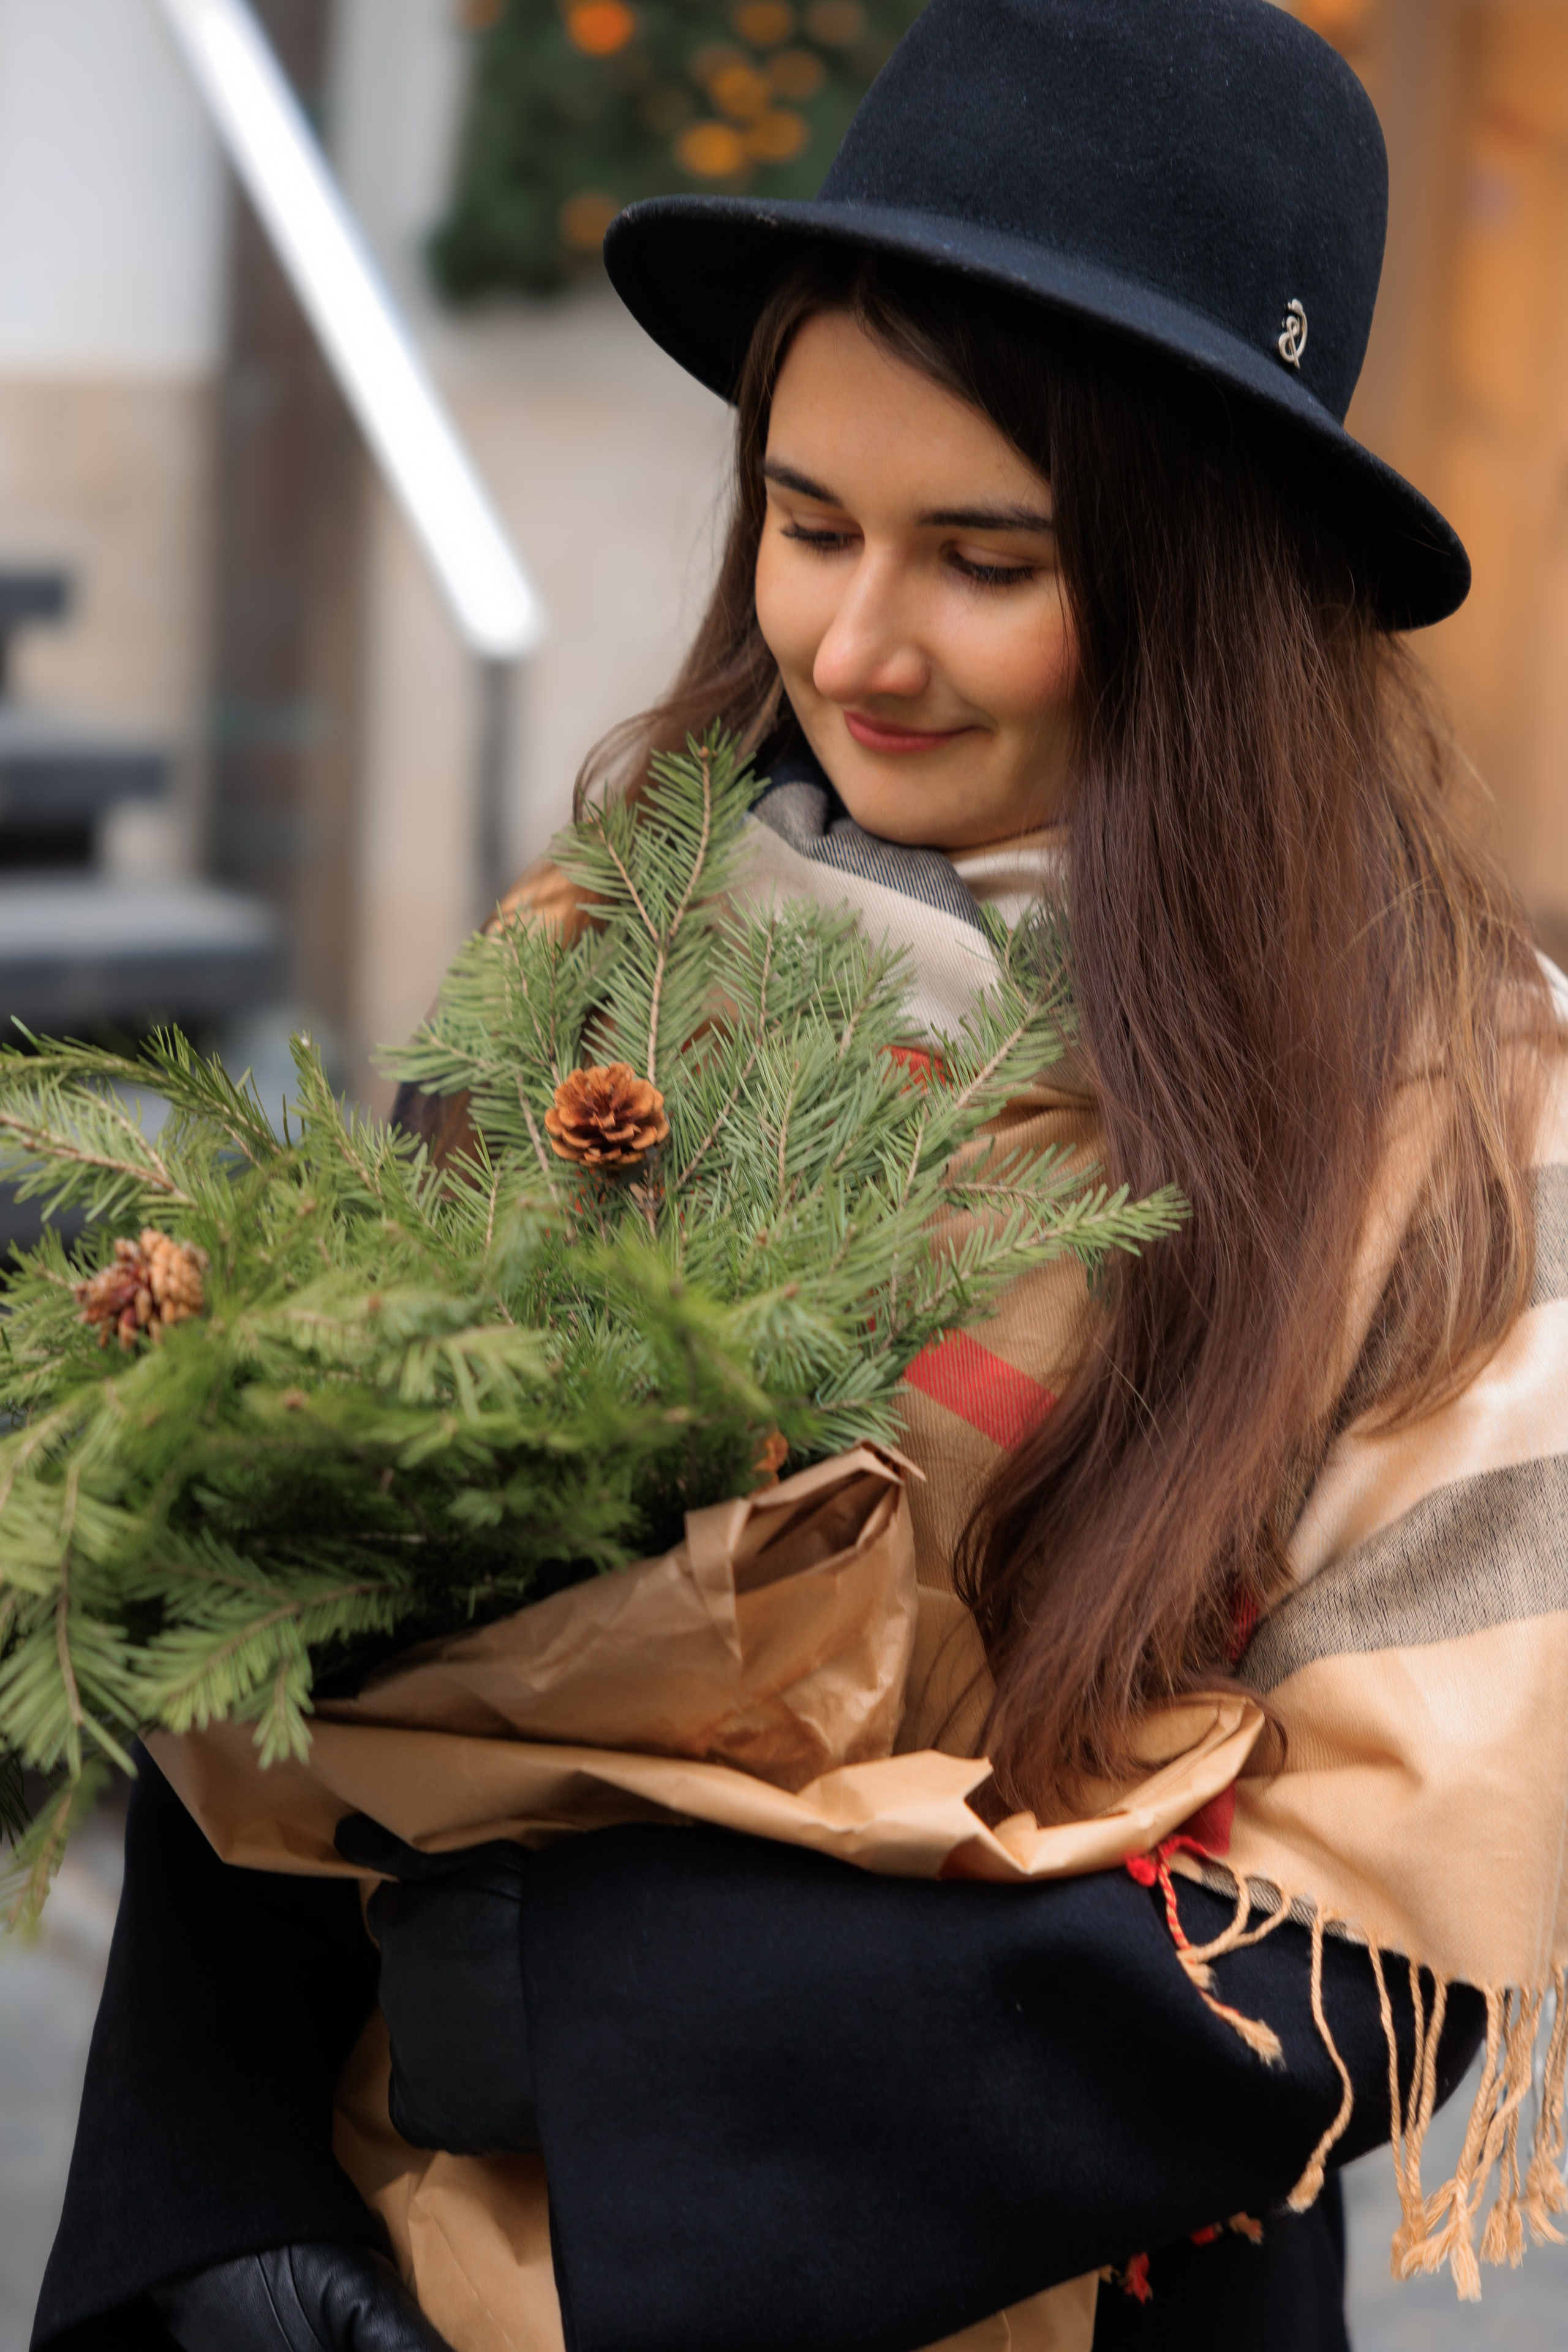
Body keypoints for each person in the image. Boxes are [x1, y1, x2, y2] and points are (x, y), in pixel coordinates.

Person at [32, 4, 1566, 2348]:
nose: (856, 641)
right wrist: (212, 2199)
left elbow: (1382, 1911)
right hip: (390, 2254)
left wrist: (615, 2027)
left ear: (1216, 572)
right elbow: (300, 1551)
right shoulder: (619, 931)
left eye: (985, 555)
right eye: (807, 518)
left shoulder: (1458, 1112)